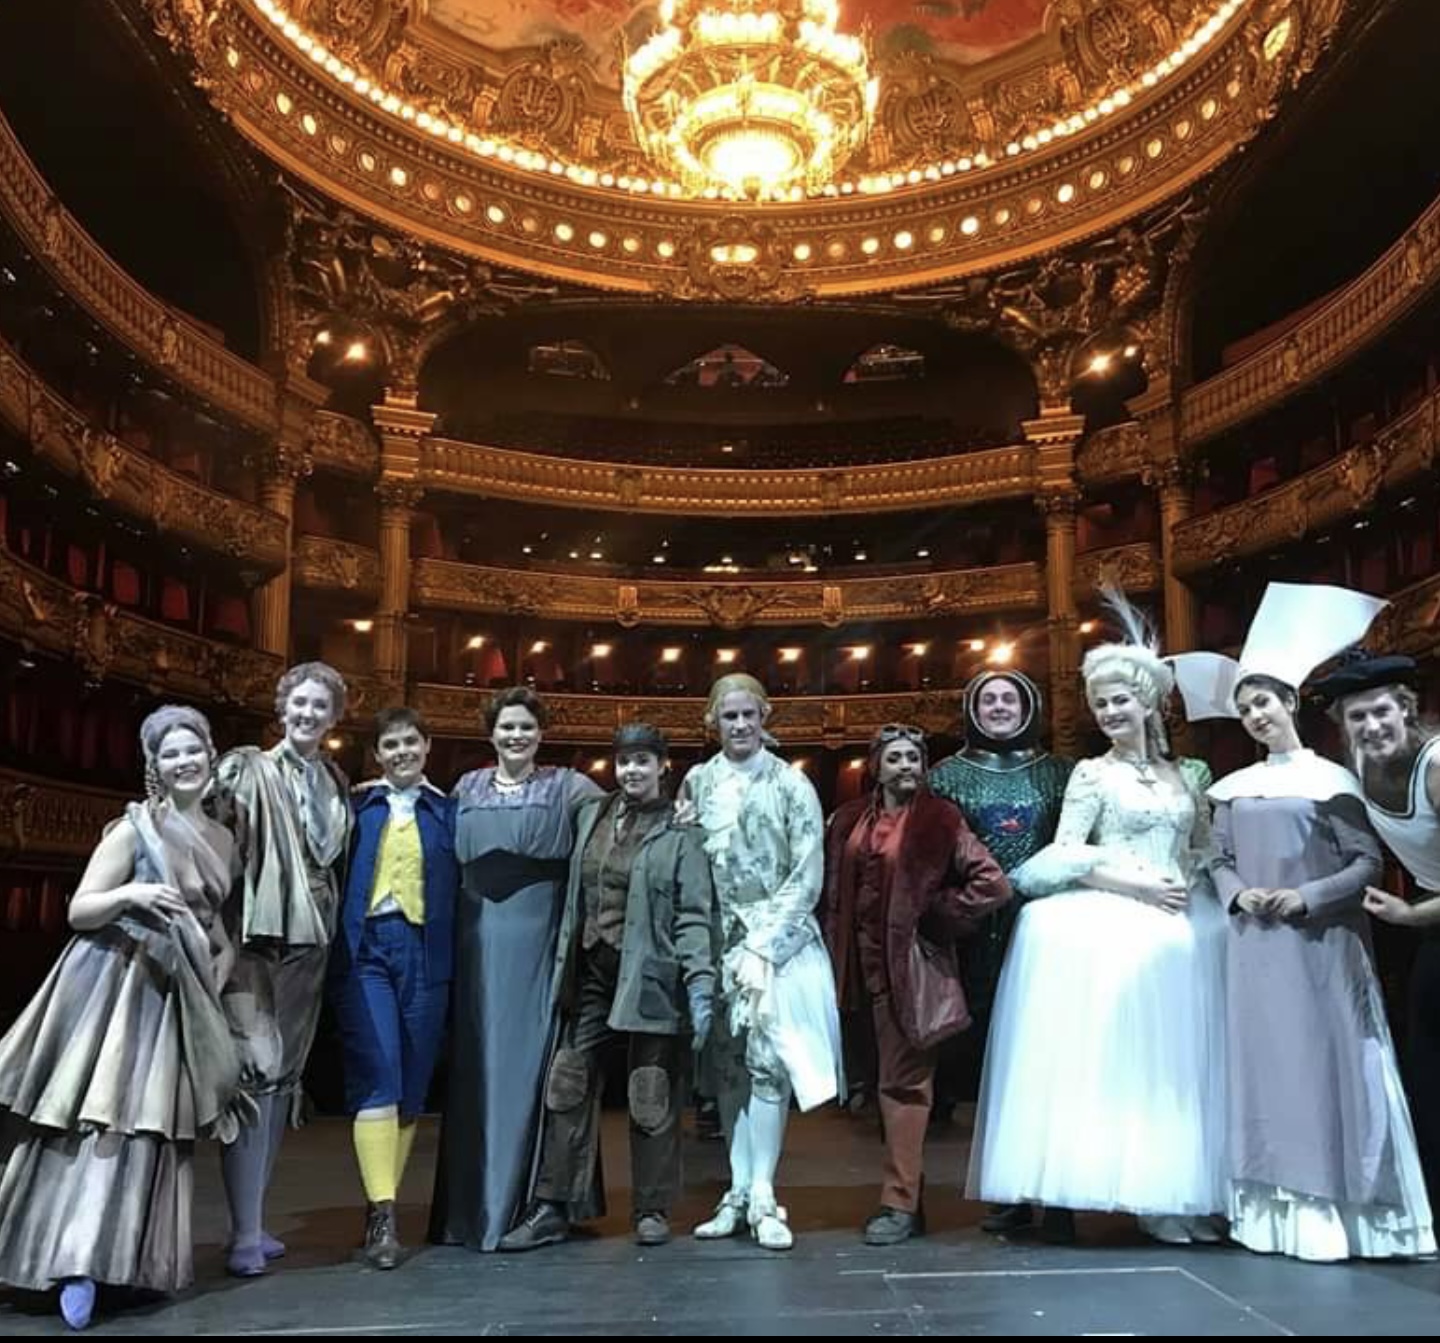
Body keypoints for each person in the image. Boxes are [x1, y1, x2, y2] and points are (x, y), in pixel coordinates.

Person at [1177, 585, 1435, 1260]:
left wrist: (1306, 897)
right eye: (1244, 708)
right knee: (1266, 1071)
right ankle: (1271, 1215)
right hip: (1254, 948)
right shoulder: (1232, 788)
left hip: (1323, 946)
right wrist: (1239, 896)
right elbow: (1218, 859)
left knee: (1328, 1066)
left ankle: (1346, 1211)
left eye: (1263, 701)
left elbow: (1365, 862)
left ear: (1289, 702)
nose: (1255, 715)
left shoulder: (1334, 780)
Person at [966, 597, 1226, 1245]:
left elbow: (1202, 847)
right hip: (1114, 915)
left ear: (1148, 703)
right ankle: (1143, 1192)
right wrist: (1133, 882)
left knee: (1182, 1068)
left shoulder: (1186, 776)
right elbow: (1065, 853)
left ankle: (1184, 1191)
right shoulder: (1090, 773)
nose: (1109, 712)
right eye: (1101, 703)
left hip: (1183, 921)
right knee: (1128, 1063)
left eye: (1120, 701)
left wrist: (1192, 880)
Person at [0, 706, 249, 1329]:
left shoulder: (223, 840)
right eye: (171, 754)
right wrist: (131, 894)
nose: (184, 761)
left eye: (193, 749)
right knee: (101, 1123)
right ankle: (74, 1262)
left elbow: (217, 928)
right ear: (154, 766)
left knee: (153, 1129)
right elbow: (81, 910)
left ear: (210, 754)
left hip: (178, 994)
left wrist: (220, 965)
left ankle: (129, 1264)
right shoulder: (133, 830)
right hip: (117, 985)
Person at [499, 723, 717, 1251]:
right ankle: (553, 1206)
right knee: (568, 1083)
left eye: (643, 760)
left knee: (650, 1091)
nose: (632, 770)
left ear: (663, 765)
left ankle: (652, 1208)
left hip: (651, 976)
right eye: (624, 761)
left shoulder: (682, 831)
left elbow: (694, 914)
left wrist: (700, 981)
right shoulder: (591, 813)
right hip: (593, 971)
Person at [822, 723, 1010, 1245]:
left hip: (908, 971)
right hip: (856, 972)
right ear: (875, 766)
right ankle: (907, 1195)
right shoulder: (848, 819)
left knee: (904, 1087)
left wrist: (937, 916)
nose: (906, 766)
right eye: (895, 758)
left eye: (913, 757)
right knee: (878, 1089)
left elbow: (992, 883)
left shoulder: (938, 818)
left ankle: (899, 1204)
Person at [429, 687, 603, 1251]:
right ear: (491, 733)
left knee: (532, 1067)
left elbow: (624, 812)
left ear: (541, 733)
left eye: (526, 726)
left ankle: (536, 1204)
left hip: (539, 941)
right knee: (481, 1065)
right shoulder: (466, 787)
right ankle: (474, 1207)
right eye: (507, 727)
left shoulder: (569, 786)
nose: (516, 736)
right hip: (477, 942)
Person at [683, 673, 843, 1251]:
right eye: (729, 716)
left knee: (768, 1064)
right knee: (727, 1068)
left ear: (764, 716)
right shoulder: (698, 781)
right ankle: (737, 1190)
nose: (741, 725)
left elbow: (807, 875)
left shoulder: (791, 784)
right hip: (718, 941)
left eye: (749, 714)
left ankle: (764, 1193)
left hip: (776, 944)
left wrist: (763, 946)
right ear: (713, 722)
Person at [214, 661, 351, 1278]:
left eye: (320, 705)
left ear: (334, 717)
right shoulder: (247, 768)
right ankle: (243, 1233)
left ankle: (254, 1220)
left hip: (312, 944)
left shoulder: (336, 780)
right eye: (300, 702)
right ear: (282, 707)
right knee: (254, 1077)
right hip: (256, 941)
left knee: (282, 1082)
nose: (308, 713)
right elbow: (217, 848)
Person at [927, 669, 1071, 1234]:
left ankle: (1060, 1193)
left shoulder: (1061, 773)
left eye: (1010, 698)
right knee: (999, 1066)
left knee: (1053, 1061)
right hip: (977, 938)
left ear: (1029, 706)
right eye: (988, 699)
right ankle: (1012, 1190)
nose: (999, 707)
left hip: (1046, 931)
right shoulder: (946, 777)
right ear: (972, 709)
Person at [332, 707, 458, 1268]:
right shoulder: (357, 809)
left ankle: (383, 1199)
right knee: (379, 1073)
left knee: (410, 1085)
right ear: (377, 754)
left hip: (427, 953)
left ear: (427, 745)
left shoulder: (449, 813)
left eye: (411, 740)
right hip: (366, 950)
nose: (402, 751)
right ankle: (383, 1216)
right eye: (390, 744)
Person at [1318, 650, 1440, 1203]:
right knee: (1426, 1071)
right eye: (1357, 716)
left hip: (1426, 915)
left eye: (1381, 711)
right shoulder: (1361, 769)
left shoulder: (1434, 769)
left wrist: (1411, 914)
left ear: (1406, 709)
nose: (1371, 726)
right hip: (1431, 924)